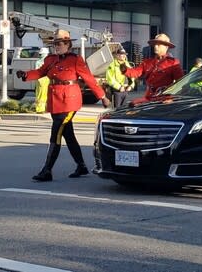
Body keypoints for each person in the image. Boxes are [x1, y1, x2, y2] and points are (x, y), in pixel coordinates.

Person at [16, 30, 111, 182]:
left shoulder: (75, 59)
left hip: (69, 102)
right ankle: (81, 166)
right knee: (69, 135)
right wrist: (26, 75)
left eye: (60, 43)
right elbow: (40, 72)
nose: (57, 46)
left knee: (56, 134)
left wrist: (102, 96)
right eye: (55, 44)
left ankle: (47, 170)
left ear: (68, 44)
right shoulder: (51, 59)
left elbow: (89, 79)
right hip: (55, 101)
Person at [122, 33, 184, 101]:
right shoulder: (147, 62)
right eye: (155, 44)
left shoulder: (173, 63)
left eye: (159, 44)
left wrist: (173, 98)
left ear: (166, 47)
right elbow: (136, 72)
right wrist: (124, 69)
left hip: (164, 99)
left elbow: (180, 83)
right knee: (132, 104)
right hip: (149, 97)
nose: (155, 46)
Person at [33, 47, 49, 113]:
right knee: (45, 94)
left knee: (40, 94)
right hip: (46, 79)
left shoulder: (38, 62)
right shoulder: (48, 62)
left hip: (40, 79)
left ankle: (40, 109)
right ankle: (44, 109)